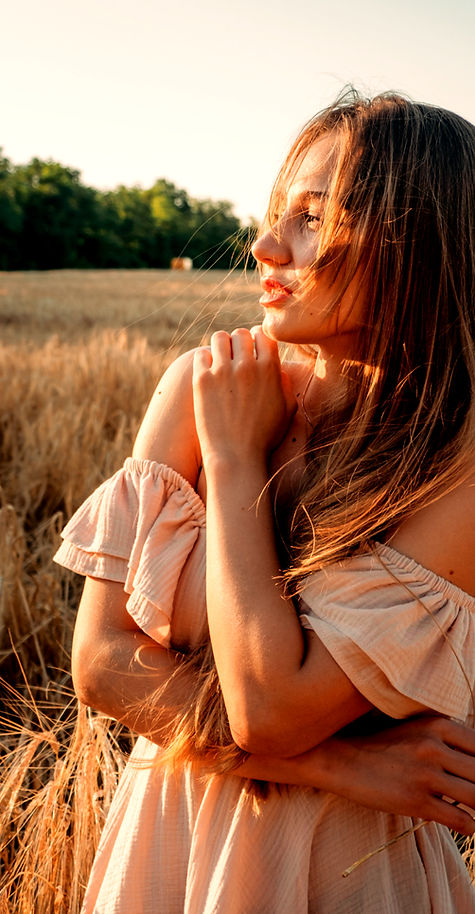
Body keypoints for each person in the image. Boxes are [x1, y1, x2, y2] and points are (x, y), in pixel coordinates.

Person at [54, 90, 475, 912]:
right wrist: (340, 763)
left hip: (336, 868)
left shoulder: (454, 464)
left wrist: (238, 461)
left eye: (313, 220)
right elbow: (100, 664)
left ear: (416, 242)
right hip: (167, 839)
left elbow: (272, 710)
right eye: (278, 213)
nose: (264, 245)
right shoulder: (201, 384)